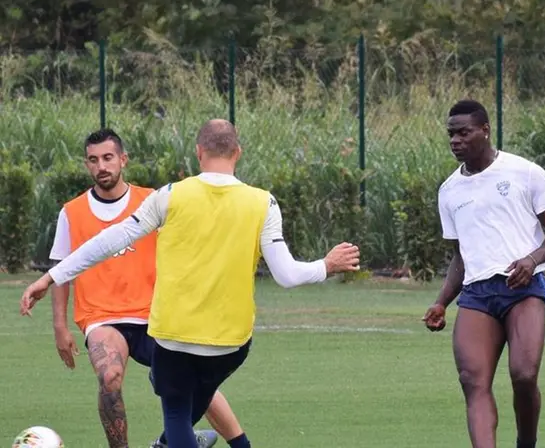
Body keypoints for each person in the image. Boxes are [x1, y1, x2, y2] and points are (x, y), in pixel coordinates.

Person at [21, 119, 361, 448]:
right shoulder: (263, 202)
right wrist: (326, 265)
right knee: (197, 402)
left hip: (174, 337)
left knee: (178, 414)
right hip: (231, 343)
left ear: (198, 153)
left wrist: (51, 277)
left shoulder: (169, 196)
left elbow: (109, 241)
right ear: (237, 153)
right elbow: (286, 275)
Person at [41, 128, 245, 448]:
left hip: (155, 314)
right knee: (109, 377)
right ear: (86, 165)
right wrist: (59, 327)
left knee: (194, 383)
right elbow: (62, 271)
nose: (101, 166)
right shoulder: (72, 212)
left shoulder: (154, 200)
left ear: (123, 160)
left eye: (108, 158)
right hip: (102, 318)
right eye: (93, 160)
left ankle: (236, 443)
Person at [421, 99, 545, 448]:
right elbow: (461, 257)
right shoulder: (449, 191)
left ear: (485, 130)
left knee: (523, 375)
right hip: (476, 296)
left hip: (524, 289)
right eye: (451, 134)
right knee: (473, 381)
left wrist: (531, 260)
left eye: (464, 132)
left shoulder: (525, 172)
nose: (455, 140)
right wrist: (442, 301)